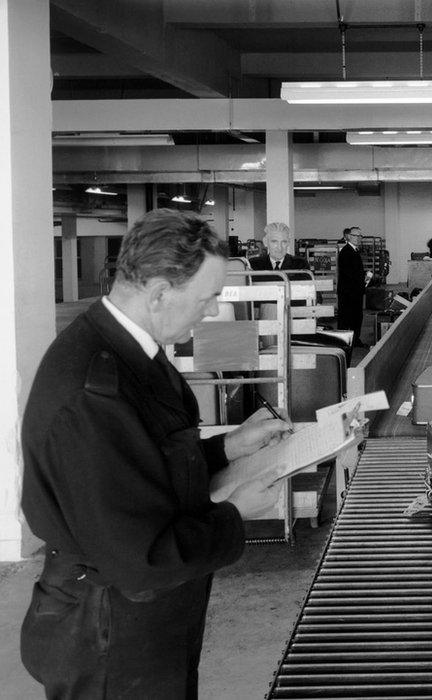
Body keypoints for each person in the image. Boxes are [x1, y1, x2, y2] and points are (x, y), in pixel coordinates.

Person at [20, 209, 290, 698]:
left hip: (144, 614)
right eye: (207, 299)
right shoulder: (91, 389)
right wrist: (233, 513)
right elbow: (136, 557)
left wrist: (229, 447)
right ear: (161, 291)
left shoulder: (131, 350)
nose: (211, 312)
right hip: (109, 629)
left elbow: (145, 462)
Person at [336, 226, 369, 348]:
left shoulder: (353, 251)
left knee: (354, 316)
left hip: (353, 291)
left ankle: (354, 340)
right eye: (356, 235)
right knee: (347, 317)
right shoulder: (346, 252)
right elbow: (349, 274)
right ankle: (345, 341)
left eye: (360, 236)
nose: (359, 238)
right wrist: (361, 280)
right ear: (349, 236)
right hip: (349, 292)